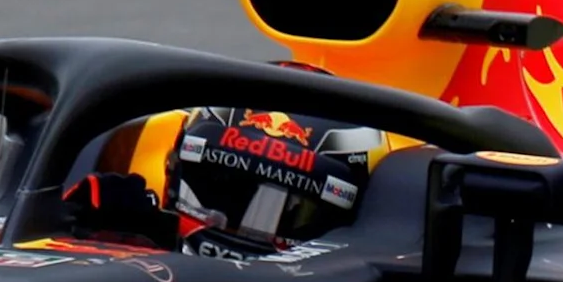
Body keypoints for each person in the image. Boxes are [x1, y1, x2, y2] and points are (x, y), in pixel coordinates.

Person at [66, 107, 385, 256]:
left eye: (284, 210)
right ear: (173, 168)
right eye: (221, 189)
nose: (231, 225)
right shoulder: (134, 230)